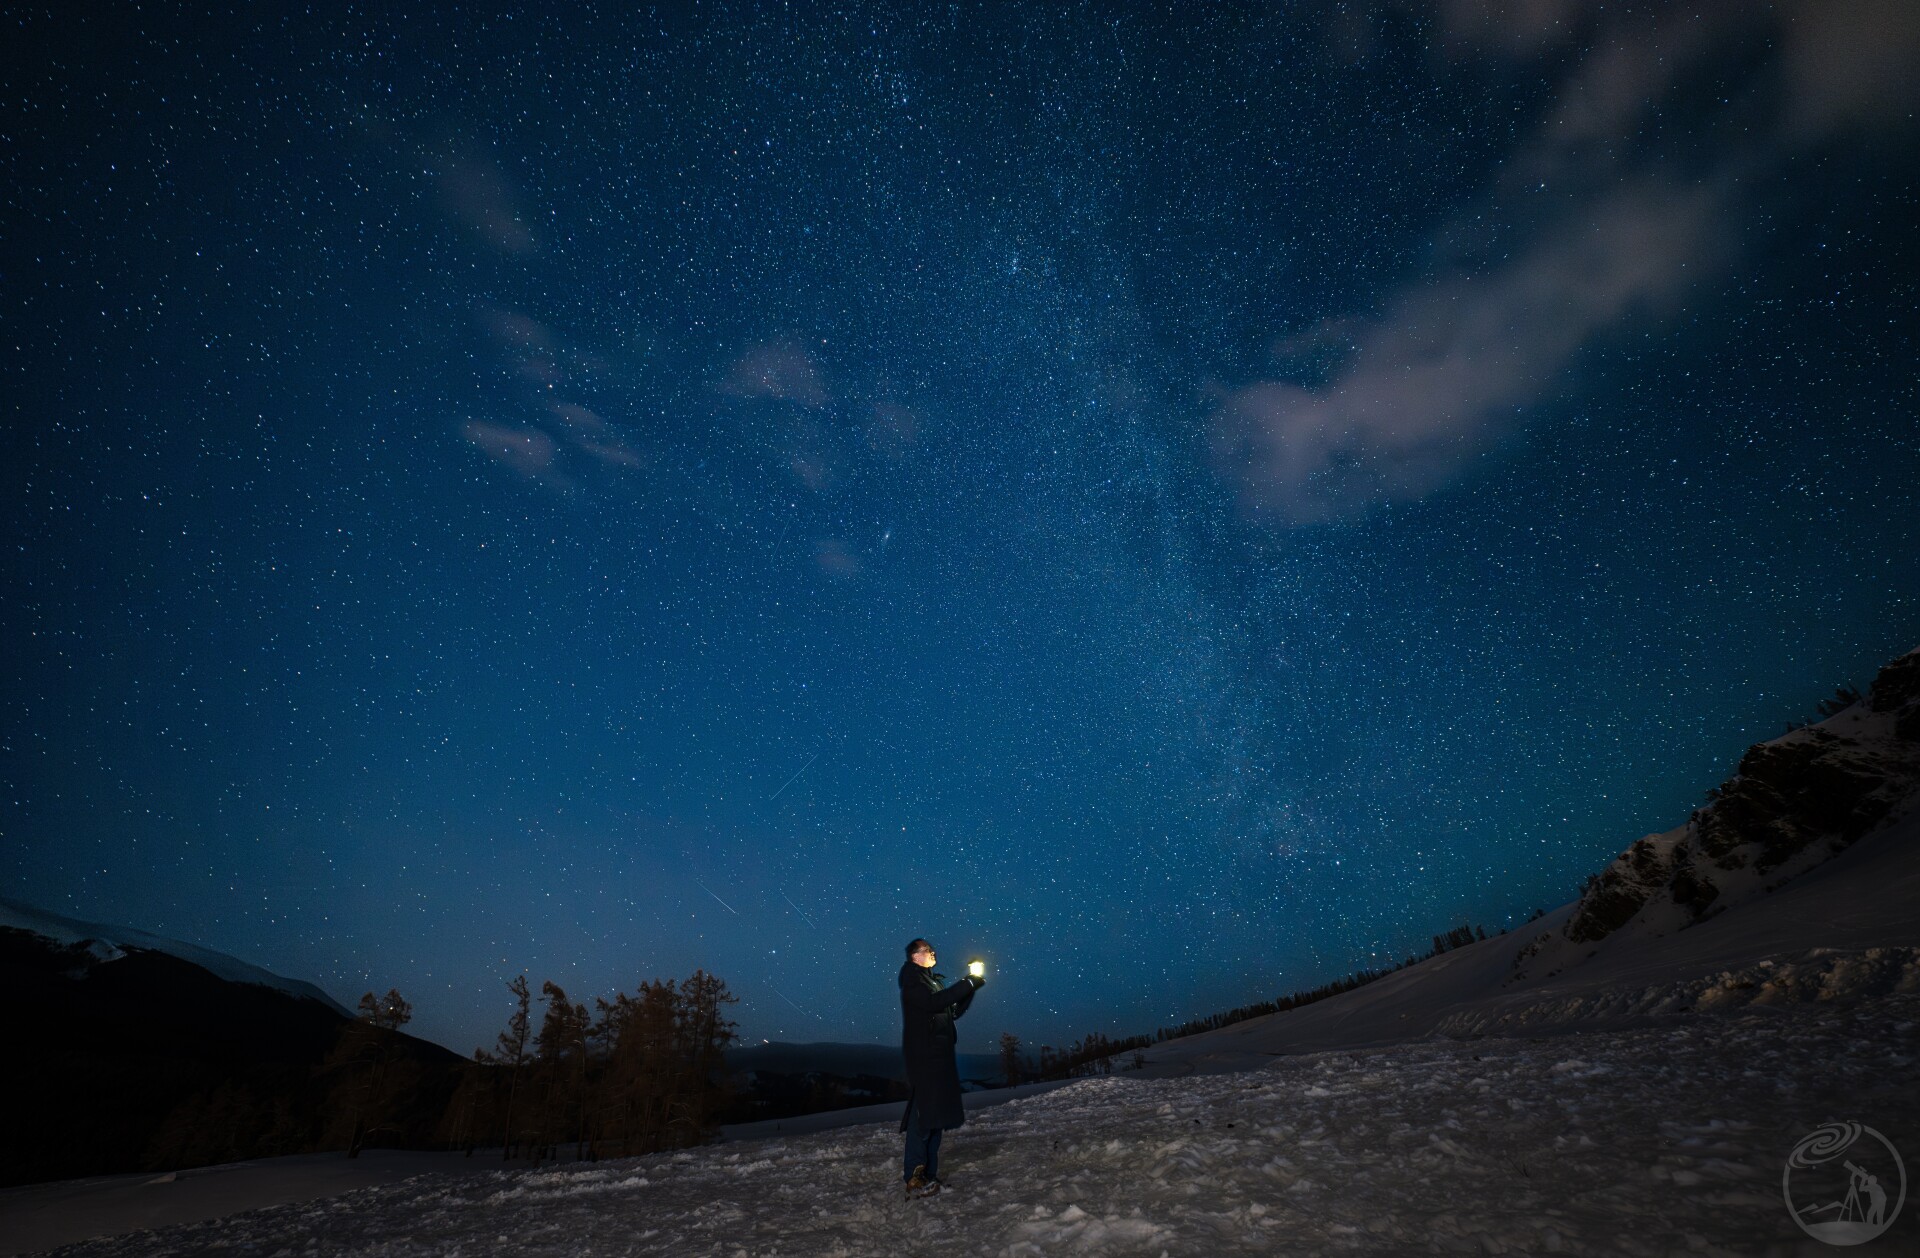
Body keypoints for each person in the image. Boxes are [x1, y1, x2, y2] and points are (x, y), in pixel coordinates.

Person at [898, 938, 983, 1197]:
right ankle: (914, 1176)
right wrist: (966, 982)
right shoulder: (912, 979)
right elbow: (934, 1003)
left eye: (933, 949)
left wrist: (971, 988)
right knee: (924, 1116)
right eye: (927, 950)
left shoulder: (931, 981)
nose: (934, 952)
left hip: (939, 1054)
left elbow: (951, 1010)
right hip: (925, 1055)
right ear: (915, 956)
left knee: (935, 1118)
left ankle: (929, 1175)